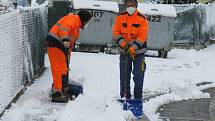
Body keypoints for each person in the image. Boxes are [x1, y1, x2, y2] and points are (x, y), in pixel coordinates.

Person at [46, 10, 92, 103]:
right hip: (56, 43)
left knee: (63, 69)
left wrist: (67, 61)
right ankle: (56, 94)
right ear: (83, 19)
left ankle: (62, 91)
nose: (87, 23)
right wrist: (65, 39)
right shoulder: (74, 18)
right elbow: (64, 28)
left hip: (60, 46)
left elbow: (69, 47)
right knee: (59, 69)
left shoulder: (76, 27)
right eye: (87, 21)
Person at [113, 0, 148, 99]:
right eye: (128, 5)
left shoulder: (142, 19)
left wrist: (133, 47)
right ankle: (125, 96)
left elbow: (142, 36)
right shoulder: (120, 17)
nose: (130, 7)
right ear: (125, 6)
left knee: (138, 76)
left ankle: (137, 98)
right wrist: (123, 44)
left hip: (139, 53)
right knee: (124, 76)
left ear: (136, 5)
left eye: (132, 5)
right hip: (124, 52)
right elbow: (116, 32)